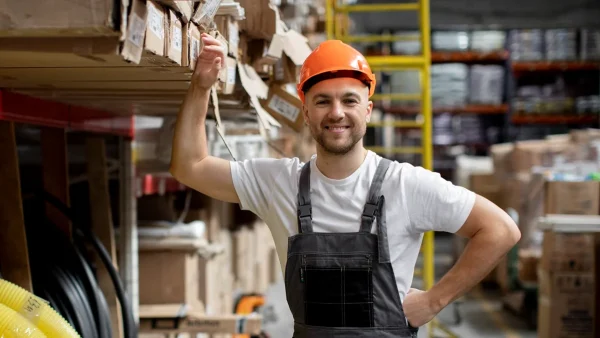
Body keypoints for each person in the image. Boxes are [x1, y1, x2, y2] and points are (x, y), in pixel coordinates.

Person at [170, 33, 521, 337]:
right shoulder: (278, 182)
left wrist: (433, 301)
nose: (336, 112)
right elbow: (190, 166)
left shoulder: (406, 185)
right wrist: (201, 86)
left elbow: (500, 230)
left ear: (367, 110)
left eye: (349, 100)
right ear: (306, 112)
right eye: (323, 101)